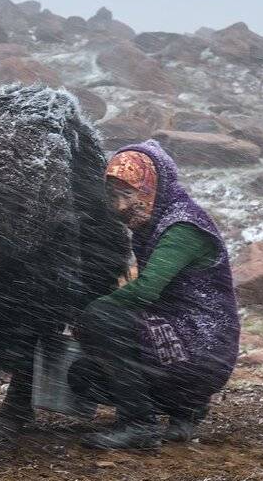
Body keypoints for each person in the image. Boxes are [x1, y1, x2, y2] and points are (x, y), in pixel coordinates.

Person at [72, 139, 240, 449]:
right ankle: (184, 408)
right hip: (188, 337)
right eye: (113, 196)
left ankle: (139, 423)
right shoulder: (159, 219)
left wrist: (90, 315)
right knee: (84, 375)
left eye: (128, 194)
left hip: (201, 343)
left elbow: (148, 289)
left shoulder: (182, 227)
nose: (120, 206)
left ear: (153, 186)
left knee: (102, 319)